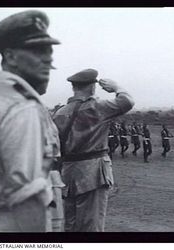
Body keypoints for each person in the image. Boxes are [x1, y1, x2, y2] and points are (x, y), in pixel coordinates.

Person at [0, 10, 62, 232]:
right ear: (11, 56)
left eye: (50, 51)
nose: (49, 58)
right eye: (38, 50)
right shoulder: (22, 107)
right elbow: (26, 198)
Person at [53, 69, 134, 232]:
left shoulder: (59, 113)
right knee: (92, 226)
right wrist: (116, 87)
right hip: (93, 175)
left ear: (74, 88)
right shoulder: (96, 107)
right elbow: (127, 101)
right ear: (92, 88)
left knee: (71, 226)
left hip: (67, 176)